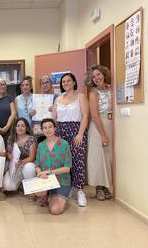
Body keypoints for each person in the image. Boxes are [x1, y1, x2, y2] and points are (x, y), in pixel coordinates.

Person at [52, 73, 89, 207]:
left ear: (74, 82)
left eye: (68, 81)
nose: (66, 83)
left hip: (76, 130)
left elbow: (85, 116)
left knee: (77, 159)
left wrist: (80, 134)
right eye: (63, 81)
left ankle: (79, 191)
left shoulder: (81, 96)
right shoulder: (57, 99)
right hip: (61, 130)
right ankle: (64, 189)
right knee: (63, 161)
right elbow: (54, 119)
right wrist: (53, 135)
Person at [85, 65, 113, 200]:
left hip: (111, 124)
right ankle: (99, 188)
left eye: (98, 75)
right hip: (98, 127)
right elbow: (95, 115)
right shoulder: (93, 93)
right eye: (93, 77)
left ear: (104, 74)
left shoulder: (112, 89)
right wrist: (103, 135)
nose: (97, 78)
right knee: (98, 157)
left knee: (108, 157)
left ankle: (107, 185)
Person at [35, 118, 72, 215]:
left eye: (50, 127)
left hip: (61, 181)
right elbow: (37, 165)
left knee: (55, 210)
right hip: (46, 180)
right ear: (42, 130)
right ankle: (46, 194)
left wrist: (48, 172)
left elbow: (67, 168)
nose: (48, 130)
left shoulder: (64, 144)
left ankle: (54, 196)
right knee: (37, 193)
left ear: (55, 128)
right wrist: (40, 174)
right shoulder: (40, 145)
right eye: (45, 128)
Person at [3, 118, 37, 192]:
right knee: (8, 186)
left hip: (26, 164)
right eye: (18, 126)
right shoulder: (11, 138)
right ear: (15, 127)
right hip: (14, 166)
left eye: (23, 126)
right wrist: (8, 155)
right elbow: (7, 152)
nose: (20, 128)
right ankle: (21, 183)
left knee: (29, 168)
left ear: (26, 127)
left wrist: (21, 162)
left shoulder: (31, 139)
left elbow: (32, 157)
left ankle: (30, 189)